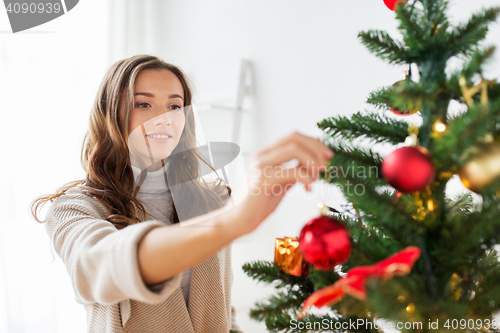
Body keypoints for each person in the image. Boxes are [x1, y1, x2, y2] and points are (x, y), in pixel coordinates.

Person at [31, 54, 334, 333]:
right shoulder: (74, 208)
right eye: (143, 104)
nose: (164, 118)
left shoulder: (213, 200)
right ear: (111, 112)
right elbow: (97, 269)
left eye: (175, 106)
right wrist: (234, 220)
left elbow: (222, 312)